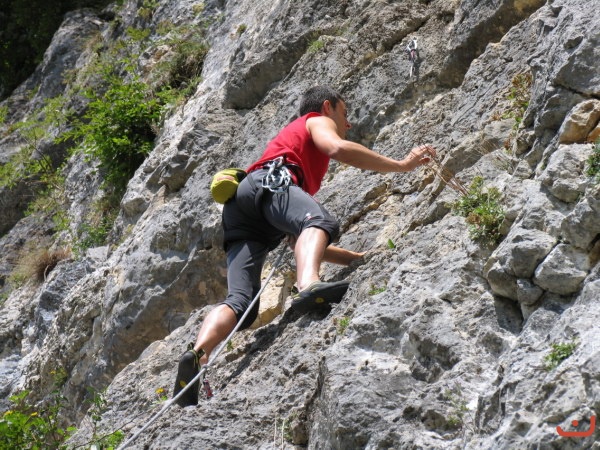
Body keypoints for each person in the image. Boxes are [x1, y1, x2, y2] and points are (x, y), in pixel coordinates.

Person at [173, 86, 436, 406]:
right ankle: (308, 285)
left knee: (242, 303)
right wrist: (402, 164)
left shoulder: (290, 146)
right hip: (272, 180)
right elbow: (337, 148)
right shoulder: (315, 120)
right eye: (344, 114)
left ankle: (198, 356)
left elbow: (302, 242)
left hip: (240, 211)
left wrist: (355, 259)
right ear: (327, 107)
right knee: (320, 220)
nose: (348, 123)